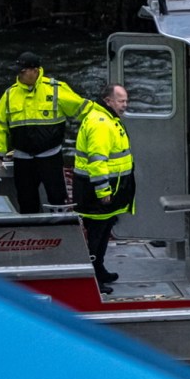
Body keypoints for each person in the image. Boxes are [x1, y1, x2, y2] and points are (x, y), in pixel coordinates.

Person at [0, 51, 93, 213]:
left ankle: (60, 231)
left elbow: (84, 109)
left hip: (50, 156)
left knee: (57, 198)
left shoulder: (56, 90)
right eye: (19, 71)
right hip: (22, 158)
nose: (19, 74)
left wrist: (106, 118)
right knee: (26, 200)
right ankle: (31, 234)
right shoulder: (10, 95)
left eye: (23, 71)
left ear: (35, 70)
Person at [73, 84, 135, 294]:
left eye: (126, 101)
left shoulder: (108, 119)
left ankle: (98, 270)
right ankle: (91, 278)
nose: (125, 105)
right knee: (95, 236)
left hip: (110, 190)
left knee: (104, 232)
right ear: (108, 101)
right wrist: (103, 191)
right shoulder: (100, 123)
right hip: (96, 194)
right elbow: (97, 162)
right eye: (120, 101)